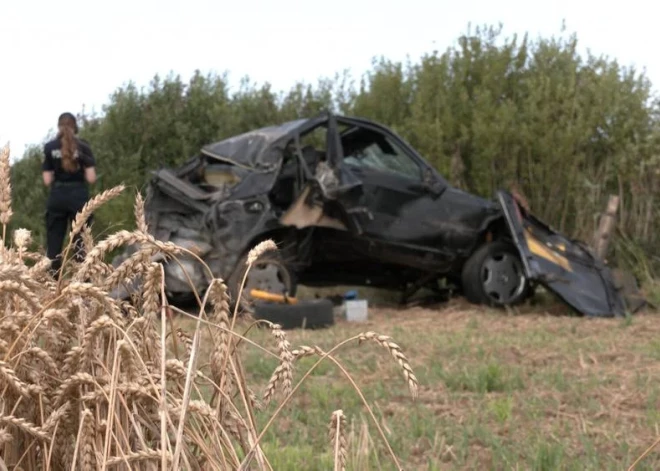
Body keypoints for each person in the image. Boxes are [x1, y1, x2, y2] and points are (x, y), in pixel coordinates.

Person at [42, 112, 97, 278]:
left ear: (58, 127)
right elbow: (91, 178)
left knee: (54, 244)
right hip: (78, 197)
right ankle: (83, 286)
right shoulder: (83, 146)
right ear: (75, 127)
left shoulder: (50, 147)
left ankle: (52, 287)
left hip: (57, 196)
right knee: (81, 244)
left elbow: (47, 180)